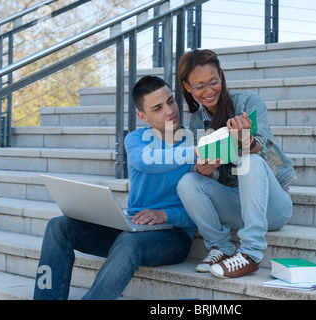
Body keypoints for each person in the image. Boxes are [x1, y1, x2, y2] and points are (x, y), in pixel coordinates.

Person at [33, 76, 197, 300]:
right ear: (142, 116)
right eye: (157, 108)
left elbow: (205, 205)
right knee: (58, 226)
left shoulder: (194, 141)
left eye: (171, 101)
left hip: (174, 237)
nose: (169, 111)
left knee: (129, 242)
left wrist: (166, 214)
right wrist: (194, 153)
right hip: (132, 227)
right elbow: (144, 161)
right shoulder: (136, 139)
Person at [176, 49, 296, 279]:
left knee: (250, 160)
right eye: (199, 86)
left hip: (273, 207)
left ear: (221, 75)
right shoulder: (195, 122)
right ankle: (221, 247)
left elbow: (261, 147)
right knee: (188, 181)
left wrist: (246, 140)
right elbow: (208, 168)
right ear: (188, 87)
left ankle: (251, 254)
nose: (209, 91)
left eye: (213, 81)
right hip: (237, 205)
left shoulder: (249, 102)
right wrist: (206, 171)